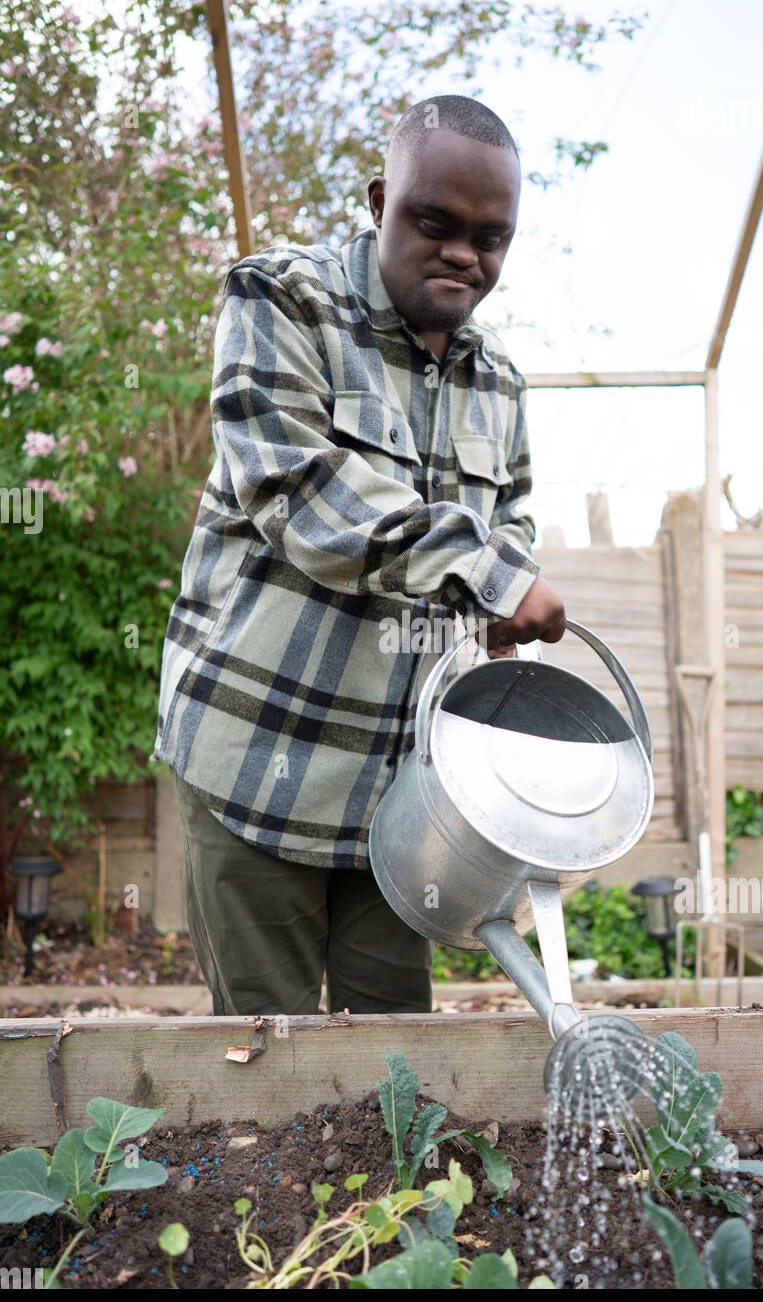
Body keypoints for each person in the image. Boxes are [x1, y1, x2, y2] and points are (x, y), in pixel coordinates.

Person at [151, 94, 566, 1016]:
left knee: (395, 1068)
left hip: (402, 798)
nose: (464, 253)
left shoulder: (497, 379)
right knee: (263, 1073)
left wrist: (508, 580)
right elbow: (298, 490)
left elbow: (514, 520)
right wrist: (492, 575)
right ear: (380, 201)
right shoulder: (281, 299)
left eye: (491, 238)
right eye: (435, 223)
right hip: (258, 768)